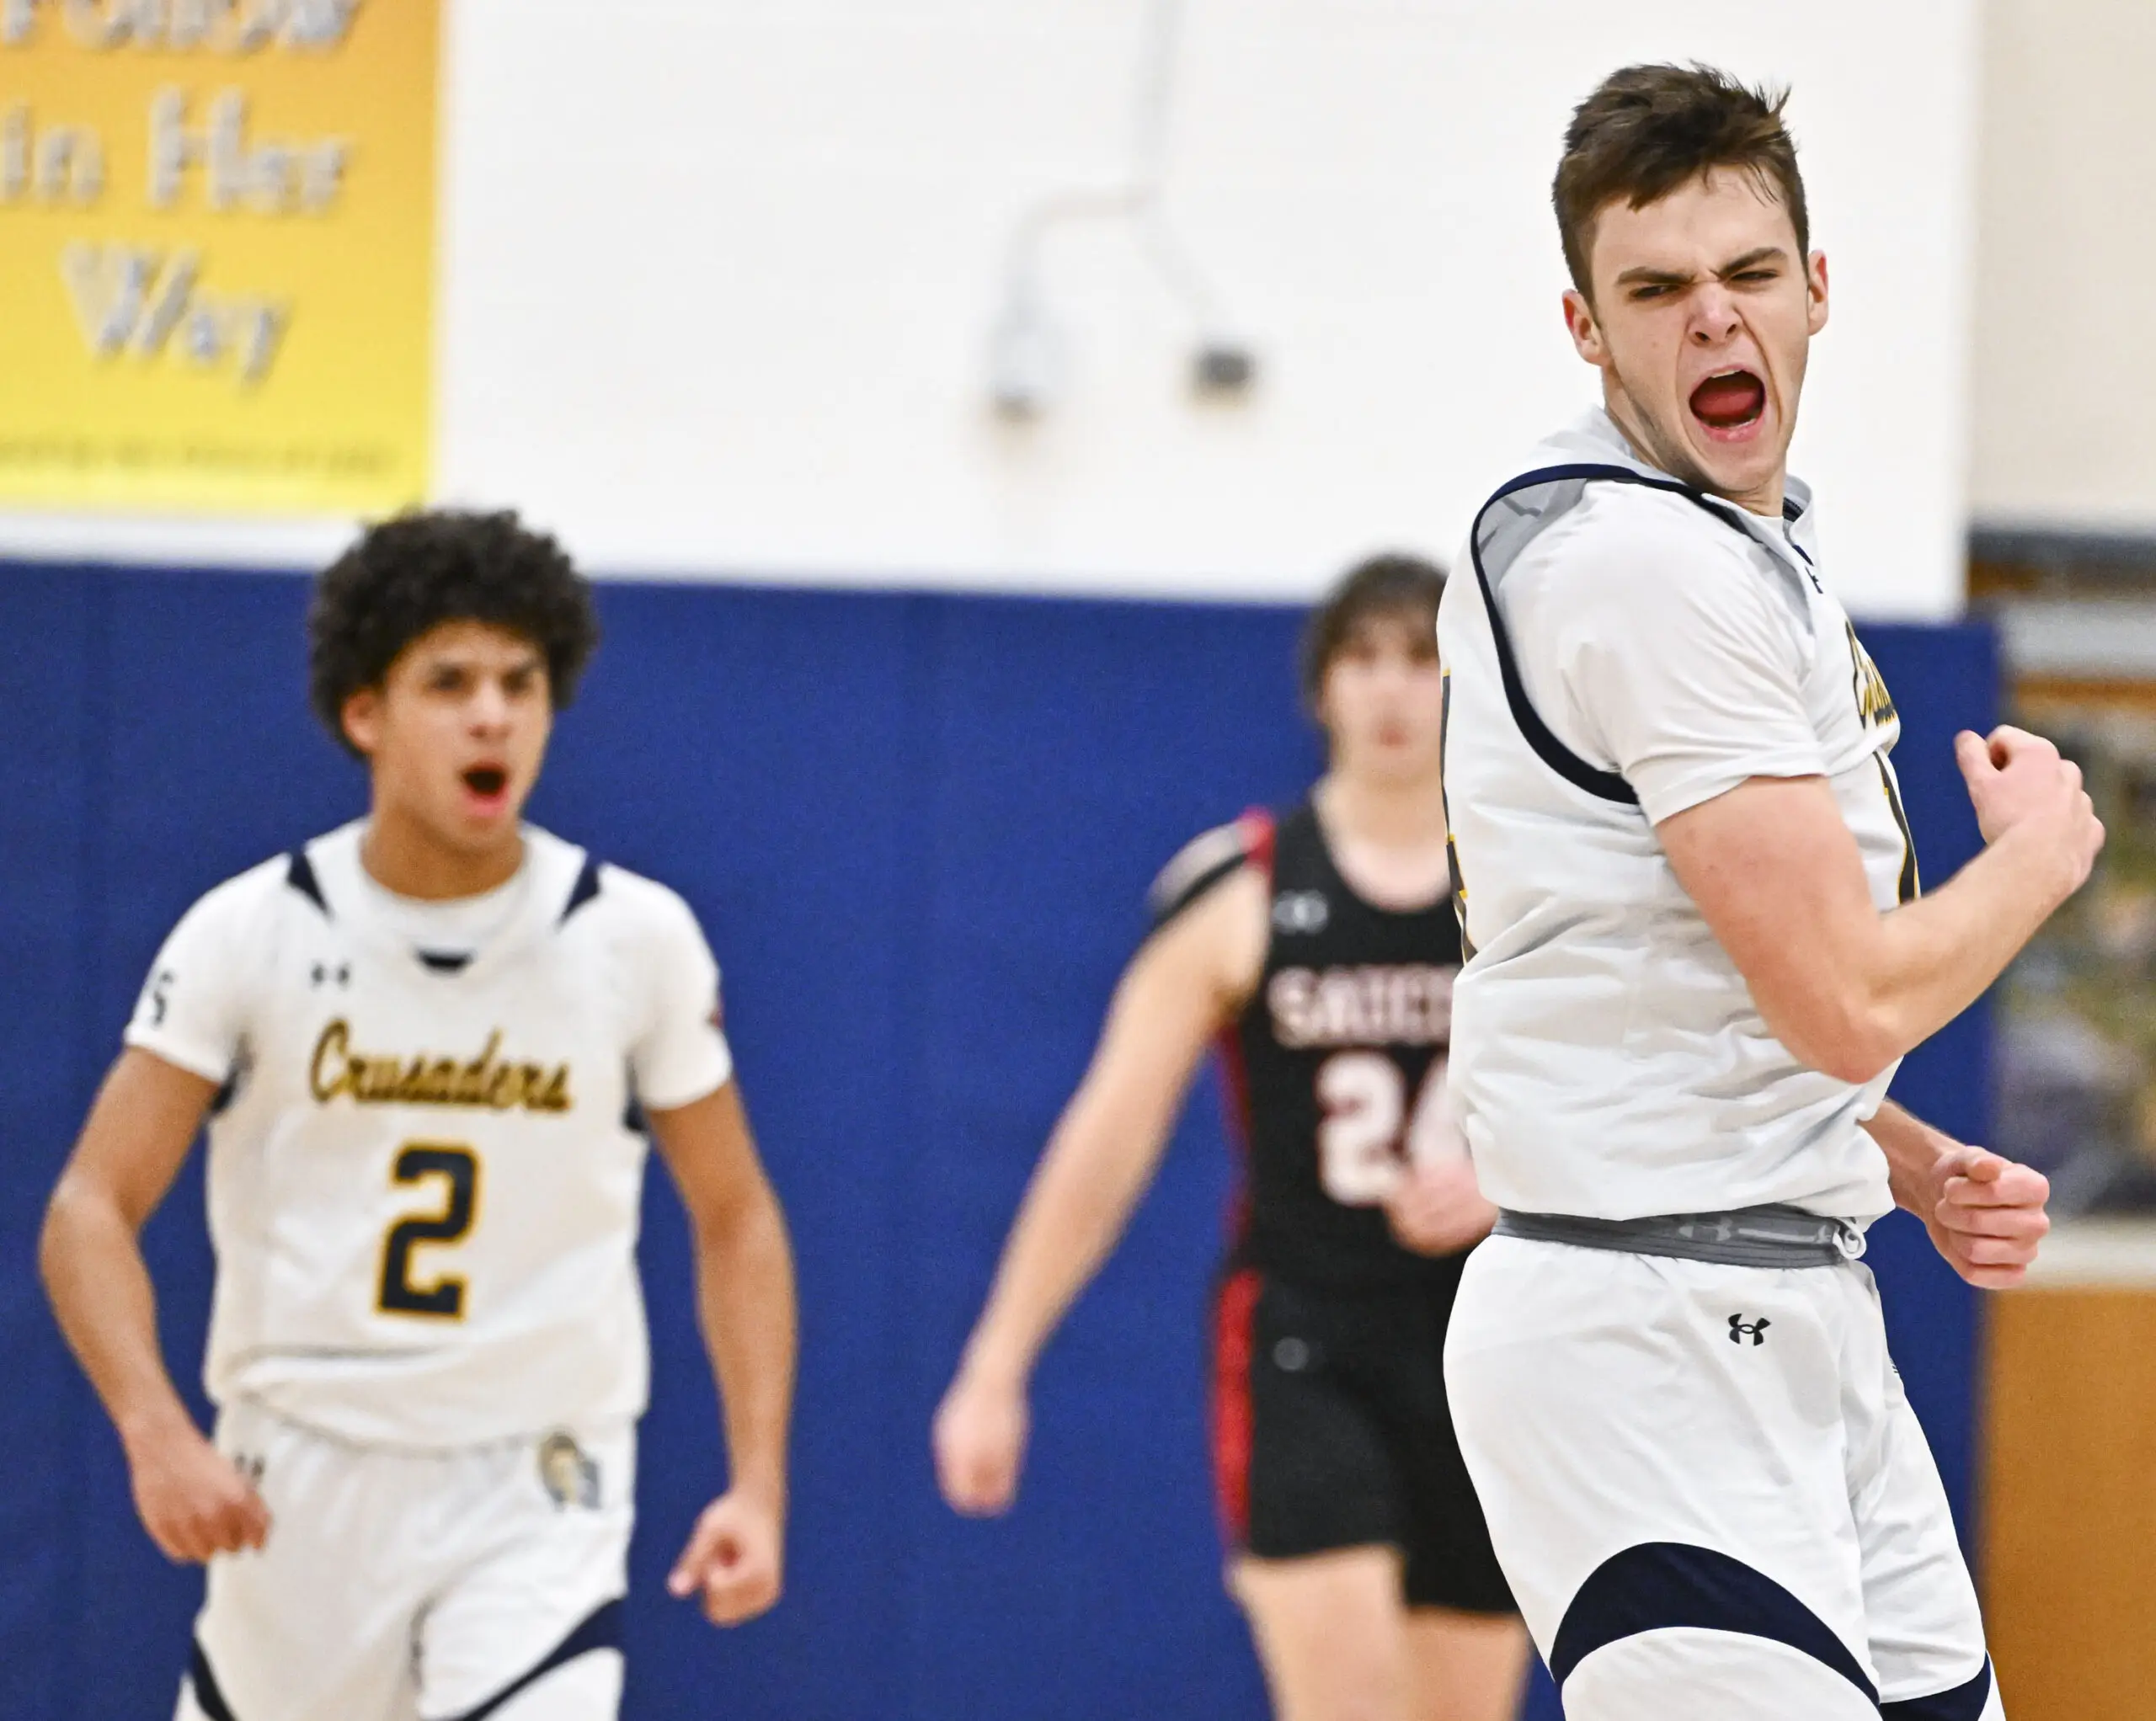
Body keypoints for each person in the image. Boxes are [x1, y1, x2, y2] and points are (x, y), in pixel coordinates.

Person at [1436, 65, 2101, 1720]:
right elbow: (1842, 992)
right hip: (1641, 1327)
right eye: (1652, 290)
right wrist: (2035, 862)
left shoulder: (1737, 542)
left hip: (1788, 1294)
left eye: (1743, 276)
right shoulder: (1639, 563)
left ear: (1814, 289)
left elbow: (1662, 971)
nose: (1707, 321)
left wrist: (1896, 1146)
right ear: (1585, 328)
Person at [40, 512, 798, 1721]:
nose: (493, 714)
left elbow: (737, 1215)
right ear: (365, 714)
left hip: (536, 1477)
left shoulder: (634, 938)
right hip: (299, 1473)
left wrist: (758, 1483)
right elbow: (89, 1207)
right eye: (449, 683)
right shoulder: (250, 932)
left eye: (520, 682)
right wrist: (155, 1432)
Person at [935, 555, 1529, 1721]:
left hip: (1492, 1347)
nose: (1394, 689)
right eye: (1364, 658)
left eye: (1422, 656)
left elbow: (1635, 1098)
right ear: (1321, 689)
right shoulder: (1243, 887)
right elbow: (1108, 1138)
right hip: (1309, 1340)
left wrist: (1508, 1186)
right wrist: (996, 1363)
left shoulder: (1532, 884)